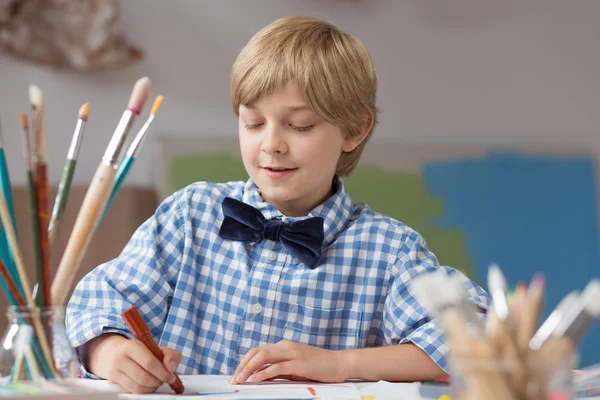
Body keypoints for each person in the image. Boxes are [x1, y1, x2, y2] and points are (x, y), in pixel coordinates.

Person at [66, 15, 490, 394]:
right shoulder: (190, 215)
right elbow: (96, 303)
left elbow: (472, 335)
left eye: (299, 125)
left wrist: (342, 364)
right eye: (253, 122)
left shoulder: (388, 249)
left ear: (355, 130)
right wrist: (110, 354)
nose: (271, 144)